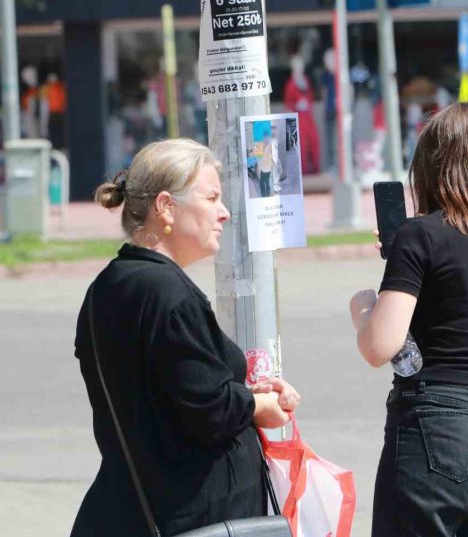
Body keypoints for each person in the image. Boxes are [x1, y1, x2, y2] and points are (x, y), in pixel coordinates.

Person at [70, 139, 301, 536]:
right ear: (165, 206)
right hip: (190, 517)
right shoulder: (167, 293)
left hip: (137, 506)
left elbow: (168, 395)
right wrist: (261, 403)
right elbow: (208, 410)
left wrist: (243, 393)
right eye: (212, 198)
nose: (224, 213)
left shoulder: (109, 285)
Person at [349, 102, 468, 536]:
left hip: (434, 429)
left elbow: (380, 347)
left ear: (432, 167)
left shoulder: (420, 235)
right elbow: (457, 318)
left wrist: (362, 308)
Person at [258, 129, 278, 198]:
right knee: (264, 182)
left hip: (267, 168)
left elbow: (273, 156)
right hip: (265, 167)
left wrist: (271, 163)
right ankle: (265, 195)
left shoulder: (269, 145)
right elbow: (259, 154)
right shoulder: (265, 144)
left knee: (264, 182)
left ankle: (266, 196)